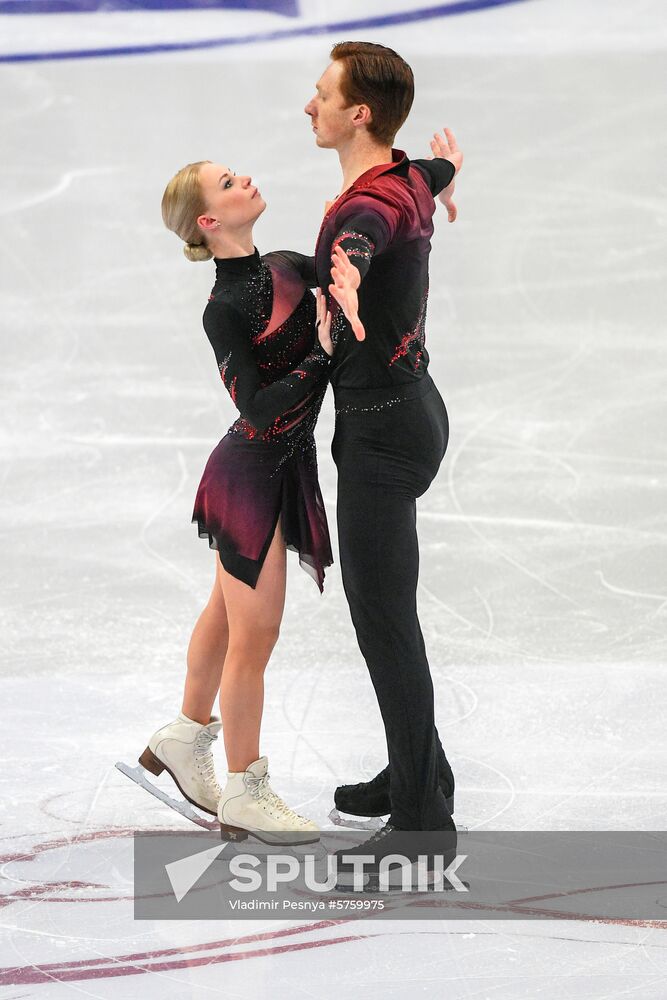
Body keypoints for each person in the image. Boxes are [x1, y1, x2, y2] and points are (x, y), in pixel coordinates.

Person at [139, 159, 345, 845]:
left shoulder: (286, 265)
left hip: (280, 469)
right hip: (250, 474)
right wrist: (318, 356)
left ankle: (183, 735)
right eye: (227, 184)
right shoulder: (224, 307)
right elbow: (255, 407)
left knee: (225, 617)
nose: (244, 180)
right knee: (254, 635)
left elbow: (347, 270)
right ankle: (245, 790)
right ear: (208, 221)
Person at [303, 41, 463, 871]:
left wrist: (351, 275)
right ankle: (419, 768)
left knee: (384, 625)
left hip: (381, 433)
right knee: (384, 618)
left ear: (357, 113)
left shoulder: (362, 208)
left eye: (322, 94)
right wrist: (446, 171)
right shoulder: (405, 175)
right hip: (410, 412)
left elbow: (366, 234)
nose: (310, 106)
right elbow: (421, 188)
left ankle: (420, 819)